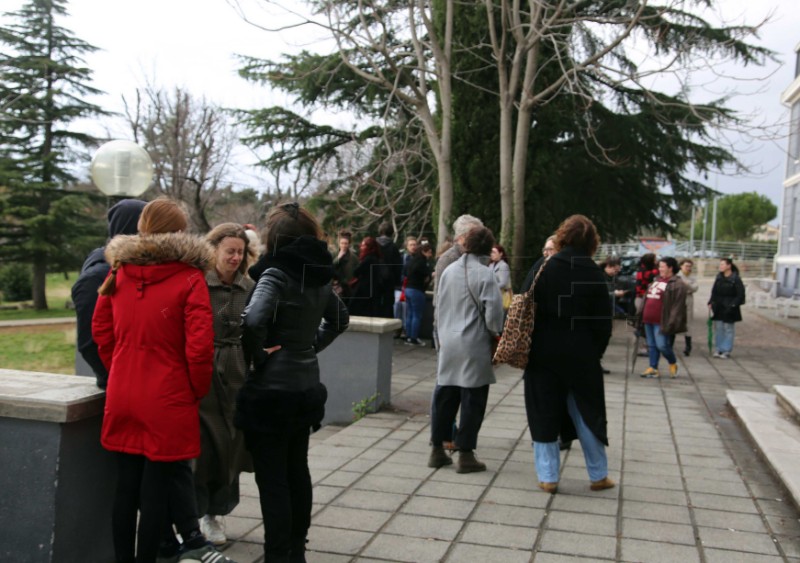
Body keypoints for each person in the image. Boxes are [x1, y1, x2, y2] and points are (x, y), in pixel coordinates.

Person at [92, 198, 234, 563]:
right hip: (168, 396)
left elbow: (101, 331)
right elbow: (200, 349)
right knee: (154, 492)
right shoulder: (189, 278)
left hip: (123, 393)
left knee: (125, 488)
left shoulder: (118, 272)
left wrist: (120, 368)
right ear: (178, 232)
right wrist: (194, 390)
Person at [236, 202, 349, 563]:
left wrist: (261, 355)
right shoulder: (316, 275)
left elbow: (253, 321)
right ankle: (296, 551)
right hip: (304, 389)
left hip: (271, 393)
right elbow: (339, 320)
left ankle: (276, 555)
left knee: (272, 479)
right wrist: (309, 346)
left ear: (275, 238)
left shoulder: (275, 274)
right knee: (297, 470)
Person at [523, 215, 614, 494]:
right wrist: (593, 352)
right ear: (592, 242)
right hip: (582, 356)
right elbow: (603, 325)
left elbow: (526, 308)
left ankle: (548, 476)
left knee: (543, 413)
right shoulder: (596, 274)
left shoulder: (544, 268)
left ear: (562, 237)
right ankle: (598, 475)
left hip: (543, 353)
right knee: (587, 414)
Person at [194, 223, 256, 546]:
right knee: (205, 447)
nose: (235, 257)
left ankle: (215, 512)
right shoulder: (199, 284)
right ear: (214, 249)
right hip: (204, 373)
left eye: (240, 252)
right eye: (229, 251)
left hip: (238, 373)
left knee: (231, 446)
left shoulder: (250, 287)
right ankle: (197, 510)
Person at [428, 226, 504, 474]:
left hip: (447, 341)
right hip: (473, 343)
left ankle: (437, 449)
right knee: (473, 400)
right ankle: (466, 454)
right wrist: (497, 336)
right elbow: (493, 316)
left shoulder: (449, 269)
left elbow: (439, 304)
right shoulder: (485, 274)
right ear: (488, 247)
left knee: (445, 397)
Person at [71, 199, 146, 388]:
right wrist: (119, 377)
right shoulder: (96, 278)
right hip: (118, 385)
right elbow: (89, 342)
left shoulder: (137, 269)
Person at [432, 214, 484, 347]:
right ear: (462, 237)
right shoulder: (448, 259)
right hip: (451, 328)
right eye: (475, 235)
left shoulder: (477, 258)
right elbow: (439, 298)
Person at [640, 257, 688, 379]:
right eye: (659, 266)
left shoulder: (677, 284)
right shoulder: (656, 280)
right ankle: (653, 368)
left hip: (661, 320)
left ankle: (673, 363)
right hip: (648, 318)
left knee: (662, 345)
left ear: (670, 268)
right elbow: (646, 298)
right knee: (651, 345)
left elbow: (678, 306)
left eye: (662, 266)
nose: (659, 269)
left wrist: (672, 321)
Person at [708, 257, 746, 359]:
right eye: (720, 265)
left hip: (730, 306)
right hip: (719, 305)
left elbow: (740, 294)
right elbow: (714, 291)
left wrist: (733, 305)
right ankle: (718, 348)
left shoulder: (735, 279)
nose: (721, 266)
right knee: (718, 328)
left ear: (729, 265)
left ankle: (726, 349)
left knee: (728, 328)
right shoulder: (719, 277)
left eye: (723, 264)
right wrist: (711, 301)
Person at [404, 239, 433, 346]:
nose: (430, 254)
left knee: (410, 314)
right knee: (417, 315)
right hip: (417, 290)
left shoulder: (412, 260)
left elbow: (405, 272)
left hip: (408, 289)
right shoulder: (423, 263)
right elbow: (427, 276)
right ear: (424, 252)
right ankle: (414, 337)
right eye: (429, 252)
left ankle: (408, 336)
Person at [347, 236, 384, 317]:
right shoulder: (376, 258)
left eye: (364, 246)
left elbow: (356, 271)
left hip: (364, 289)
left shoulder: (368, 259)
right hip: (371, 289)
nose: (361, 247)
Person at [376, 221, 403, 318]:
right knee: (388, 305)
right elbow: (398, 266)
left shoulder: (375, 246)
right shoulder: (393, 247)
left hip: (375, 280)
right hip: (389, 281)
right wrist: (397, 283)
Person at [677, 258, 699, 356]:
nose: (688, 268)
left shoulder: (692, 277)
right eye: (686, 266)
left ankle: (688, 346)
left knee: (688, 324)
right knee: (674, 322)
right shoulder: (677, 276)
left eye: (690, 266)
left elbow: (695, 288)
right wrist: (687, 287)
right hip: (677, 301)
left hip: (688, 301)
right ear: (681, 266)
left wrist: (686, 285)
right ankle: (670, 343)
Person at [331, 230, 359, 299]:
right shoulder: (334, 254)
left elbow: (358, 273)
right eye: (342, 243)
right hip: (336, 288)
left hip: (350, 288)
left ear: (349, 244)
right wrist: (338, 258)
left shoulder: (353, 257)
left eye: (345, 243)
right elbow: (330, 268)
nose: (343, 245)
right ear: (339, 243)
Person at [489, 244, 512, 310]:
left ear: (501, 254)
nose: (491, 254)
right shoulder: (491, 265)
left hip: (503, 296)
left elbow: (503, 283)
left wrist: (490, 287)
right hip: (493, 296)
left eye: (494, 252)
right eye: (491, 252)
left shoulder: (503, 266)